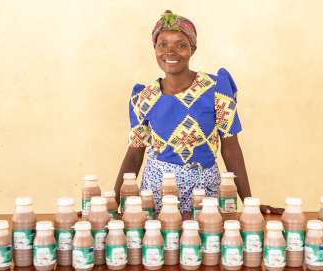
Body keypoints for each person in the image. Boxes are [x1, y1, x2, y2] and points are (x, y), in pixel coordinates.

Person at [114, 10, 282, 216]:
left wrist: (250, 204)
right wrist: (111, 203)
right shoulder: (144, 97)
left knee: (206, 242)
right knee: (161, 244)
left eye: (181, 44)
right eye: (163, 44)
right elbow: (134, 153)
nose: (171, 51)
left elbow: (230, 149)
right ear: (154, 49)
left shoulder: (216, 89)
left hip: (205, 196)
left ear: (192, 49)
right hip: (158, 196)